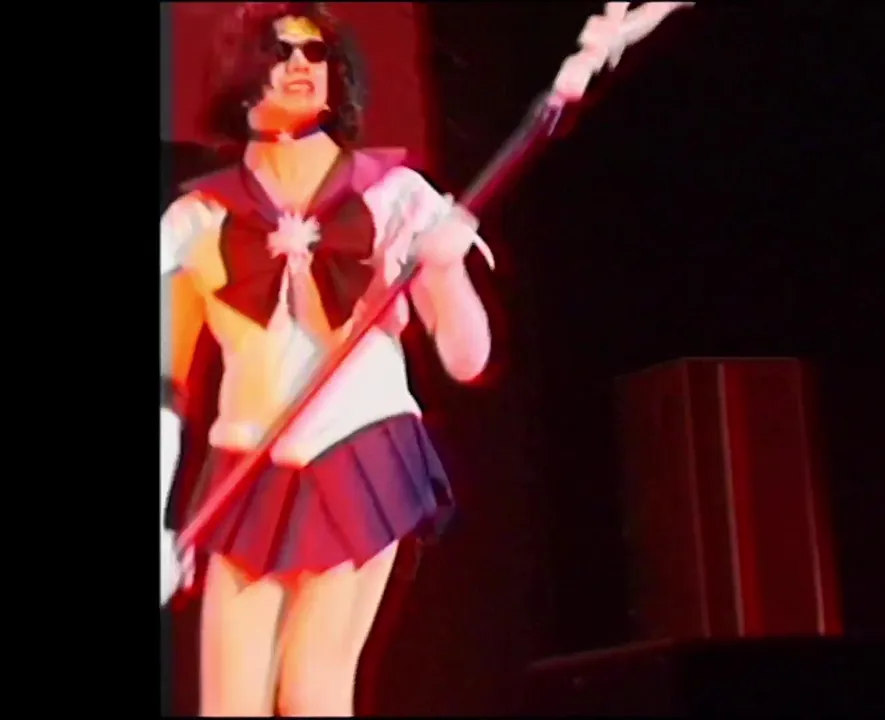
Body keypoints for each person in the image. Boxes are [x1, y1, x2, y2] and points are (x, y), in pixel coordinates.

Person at [160, 2, 689, 715]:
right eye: (279, 51)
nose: (300, 66)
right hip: (247, 463)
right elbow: (165, 381)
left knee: (314, 691)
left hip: (356, 448)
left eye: (315, 53)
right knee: (229, 703)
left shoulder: (395, 198)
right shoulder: (197, 221)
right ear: (238, 73)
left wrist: (442, 271)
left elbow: (468, 359)